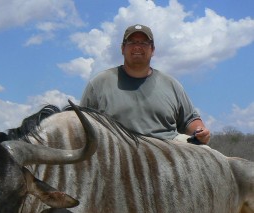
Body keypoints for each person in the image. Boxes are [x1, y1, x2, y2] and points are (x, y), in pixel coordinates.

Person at [80, 24, 210, 145]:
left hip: (168, 154)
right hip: (117, 155)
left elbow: (189, 119)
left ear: (152, 50)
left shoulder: (172, 84)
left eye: (144, 42)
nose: (137, 46)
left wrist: (199, 131)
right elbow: (81, 124)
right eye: (132, 42)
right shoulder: (98, 83)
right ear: (122, 48)